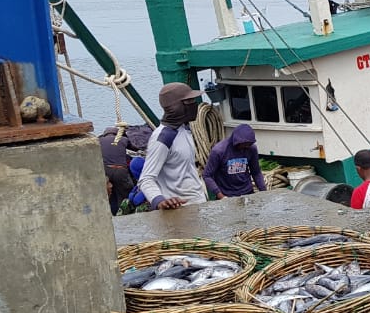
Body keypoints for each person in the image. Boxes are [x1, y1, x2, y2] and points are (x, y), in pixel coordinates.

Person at [138, 83, 208, 211]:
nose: (195, 104)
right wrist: (159, 201)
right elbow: (146, 180)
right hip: (179, 210)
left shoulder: (184, 129)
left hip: (198, 204)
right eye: (190, 101)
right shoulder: (163, 137)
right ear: (177, 107)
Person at [202, 123, 267, 200]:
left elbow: (256, 172)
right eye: (245, 144)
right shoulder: (219, 151)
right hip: (227, 194)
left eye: (249, 144)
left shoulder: (251, 149)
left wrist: (264, 192)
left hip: (247, 192)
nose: (247, 147)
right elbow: (207, 175)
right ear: (237, 142)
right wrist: (221, 196)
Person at [99, 127, 137, 215]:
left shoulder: (99, 140)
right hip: (120, 170)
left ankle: (112, 213)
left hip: (106, 170)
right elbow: (134, 148)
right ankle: (124, 214)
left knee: (110, 194)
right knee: (125, 193)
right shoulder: (123, 139)